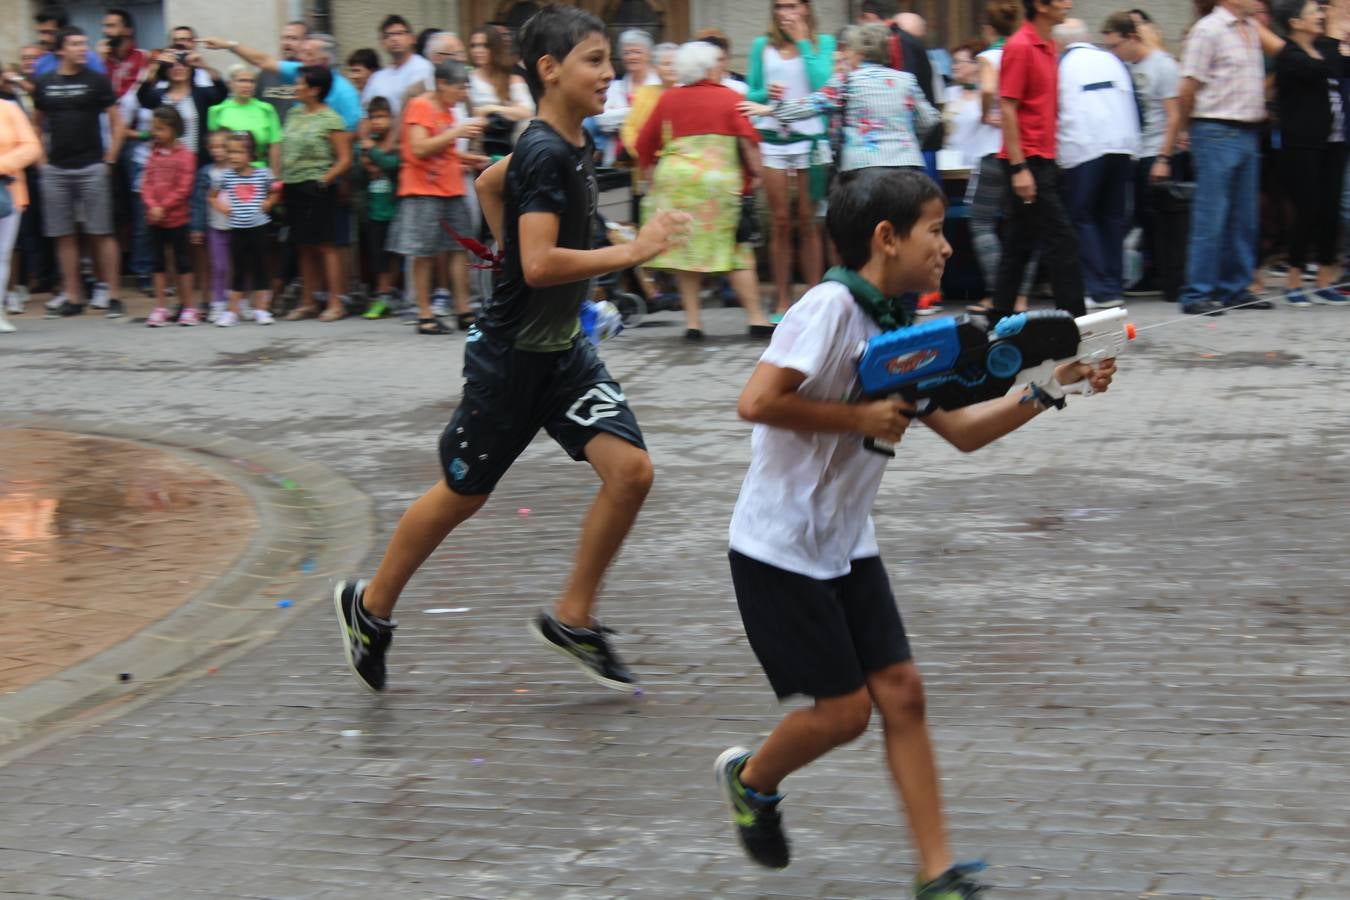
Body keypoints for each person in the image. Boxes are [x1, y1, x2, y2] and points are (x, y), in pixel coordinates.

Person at [715, 167, 1117, 896]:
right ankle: (751, 779)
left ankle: (937, 874)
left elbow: (961, 431)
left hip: (846, 541)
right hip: (779, 549)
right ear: (885, 238)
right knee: (844, 714)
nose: (945, 247)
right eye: (935, 231)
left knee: (903, 692)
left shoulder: (902, 327)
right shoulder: (831, 307)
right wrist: (856, 418)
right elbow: (755, 401)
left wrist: (1055, 386)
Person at [331, 5, 692, 695]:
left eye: (609, 60)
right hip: (512, 359)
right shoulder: (547, 150)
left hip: (562, 353)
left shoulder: (561, 141)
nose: (610, 72)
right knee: (464, 493)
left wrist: (534, 244)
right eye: (594, 60)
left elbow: (491, 183)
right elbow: (540, 266)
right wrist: (632, 249)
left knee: (632, 473)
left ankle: (573, 616)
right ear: (550, 70)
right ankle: (369, 609)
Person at [636, 41, 774, 341]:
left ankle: (694, 324)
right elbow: (748, 141)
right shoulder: (730, 97)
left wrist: (653, 178)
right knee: (737, 250)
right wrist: (757, 175)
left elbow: (644, 143)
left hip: (677, 183)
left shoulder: (668, 99)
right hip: (719, 184)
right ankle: (756, 318)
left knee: (688, 252)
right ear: (711, 67)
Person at [993, 0, 1086, 319]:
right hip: (1026, 161)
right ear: (1041, 6)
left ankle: (998, 318)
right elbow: (1007, 107)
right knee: (1064, 243)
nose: (1068, 4)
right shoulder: (1020, 45)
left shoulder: (1049, 45)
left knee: (1019, 247)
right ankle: (1075, 325)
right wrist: (1019, 168)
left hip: (1041, 160)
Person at [1177, 0, 1271, 315]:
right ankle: (1197, 292)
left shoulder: (1251, 29)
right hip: (1215, 129)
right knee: (1211, 217)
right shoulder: (1208, 30)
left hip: (1247, 131)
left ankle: (1235, 288)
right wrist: (1188, 128)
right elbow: (1188, 87)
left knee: (1244, 217)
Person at [744, 23, 939, 173]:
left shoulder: (846, 81)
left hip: (863, 167)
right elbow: (930, 119)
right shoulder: (906, 80)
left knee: (863, 224)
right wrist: (910, 139)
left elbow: (812, 105)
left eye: (850, 50)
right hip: (908, 166)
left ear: (860, 53)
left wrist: (771, 109)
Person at [747, 0, 837, 317]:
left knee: (809, 221)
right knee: (780, 222)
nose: (786, 13)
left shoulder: (823, 43)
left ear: (807, 9)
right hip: (774, 137)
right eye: (780, 7)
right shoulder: (762, 44)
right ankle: (783, 298)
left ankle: (813, 297)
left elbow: (824, 85)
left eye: (793, 6)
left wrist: (802, 41)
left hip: (810, 138)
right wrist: (766, 95)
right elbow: (751, 94)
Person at [32, 26, 124, 320]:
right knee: (64, 235)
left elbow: (116, 122)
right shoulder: (44, 83)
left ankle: (113, 295)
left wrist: (109, 159)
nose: (82, 48)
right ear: (60, 50)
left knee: (102, 232)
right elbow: (35, 123)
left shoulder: (97, 80)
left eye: (84, 43)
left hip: (92, 165)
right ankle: (73, 297)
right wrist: (41, 160)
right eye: (75, 44)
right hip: (56, 169)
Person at [385, 59, 482, 335]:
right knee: (424, 252)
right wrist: (457, 132)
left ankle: (464, 310)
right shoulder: (421, 106)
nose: (463, 94)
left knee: (458, 248)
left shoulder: (448, 111)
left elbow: (443, 150)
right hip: (423, 190)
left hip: (450, 187)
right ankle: (424, 314)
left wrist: (467, 158)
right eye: (460, 87)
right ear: (442, 84)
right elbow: (418, 148)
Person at [1053, 18, 1140, 310]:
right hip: (1122, 145)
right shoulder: (1111, 60)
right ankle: (1114, 284)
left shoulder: (1063, 66)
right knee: (1112, 216)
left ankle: (1099, 287)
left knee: (1082, 216)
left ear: (1058, 43)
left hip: (1085, 148)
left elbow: (1060, 109)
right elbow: (1132, 101)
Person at [1273, 0, 1349, 306]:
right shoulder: (1290, 55)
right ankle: (1293, 279)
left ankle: (1324, 280)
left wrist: (1333, 40)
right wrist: (1333, 35)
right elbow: (1323, 69)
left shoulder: (1324, 48)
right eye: (1313, 13)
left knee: (1330, 210)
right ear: (1295, 22)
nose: (1319, 16)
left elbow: (1342, 68)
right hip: (1303, 144)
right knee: (1307, 211)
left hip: (1334, 142)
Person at [1102, 10, 1182, 298]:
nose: (1114, 52)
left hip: (1155, 149)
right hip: (1134, 151)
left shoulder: (1163, 65)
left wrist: (1164, 157)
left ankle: (1167, 275)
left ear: (1132, 38)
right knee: (1139, 215)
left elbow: (1174, 115)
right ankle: (1151, 271)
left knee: (1158, 218)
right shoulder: (1124, 67)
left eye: (1116, 45)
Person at [966, 0, 1037, 315]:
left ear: (988, 29)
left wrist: (986, 114)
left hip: (994, 149)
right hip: (1023, 148)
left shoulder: (990, 56)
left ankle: (999, 292)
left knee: (981, 221)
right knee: (1024, 223)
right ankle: (1021, 295)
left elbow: (987, 90)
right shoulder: (1026, 50)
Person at [279, 64, 351, 321]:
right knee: (303, 246)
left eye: (301, 83)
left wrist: (324, 180)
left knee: (326, 245)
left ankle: (335, 302)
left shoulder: (331, 118)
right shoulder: (294, 114)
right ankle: (309, 300)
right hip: (293, 185)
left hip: (318, 187)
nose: (296, 87)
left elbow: (344, 159)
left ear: (315, 89)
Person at [211, 131, 278, 326]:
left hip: (259, 228)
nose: (233, 156)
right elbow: (212, 196)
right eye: (230, 152)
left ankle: (261, 310)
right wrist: (222, 208)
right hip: (237, 229)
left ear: (250, 154)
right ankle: (232, 311)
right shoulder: (226, 176)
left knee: (260, 269)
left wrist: (269, 202)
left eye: (239, 152)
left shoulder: (263, 173)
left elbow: (275, 191)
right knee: (238, 270)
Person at [141, 106, 197, 327]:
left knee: (182, 262)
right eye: (154, 128)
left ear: (174, 129)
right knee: (158, 263)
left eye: (160, 129)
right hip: (155, 219)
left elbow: (184, 188)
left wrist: (163, 206)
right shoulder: (153, 154)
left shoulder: (186, 156)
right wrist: (152, 205)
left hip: (177, 219)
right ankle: (160, 307)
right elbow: (146, 183)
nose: (156, 133)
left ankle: (189, 306)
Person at [136, 48, 227, 164]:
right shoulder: (158, 95)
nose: (178, 68)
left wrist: (204, 66)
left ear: (191, 69)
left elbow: (222, 92)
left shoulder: (202, 94)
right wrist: (156, 67)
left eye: (184, 64)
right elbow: (142, 97)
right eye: (172, 65)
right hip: (166, 161)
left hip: (197, 160)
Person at [0, 90, 42, 334]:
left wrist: (2, 165)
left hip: (7, 193)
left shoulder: (9, 108)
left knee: (2, 254)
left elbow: (31, 147)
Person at [355, 96, 401, 319]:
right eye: (373, 117)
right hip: (373, 210)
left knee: (393, 255)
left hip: (393, 209)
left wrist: (372, 152)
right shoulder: (367, 143)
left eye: (382, 117)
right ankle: (382, 294)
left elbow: (392, 164)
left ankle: (387, 295)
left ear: (391, 119)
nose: (377, 122)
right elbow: (358, 166)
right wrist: (366, 160)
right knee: (377, 256)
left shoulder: (395, 143)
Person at [468, 23, 536, 157]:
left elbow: (527, 112)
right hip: (476, 150)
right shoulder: (467, 79)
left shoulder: (512, 80)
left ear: (495, 48)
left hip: (508, 149)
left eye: (485, 46)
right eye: (474, 46)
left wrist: (490, 109)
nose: (478, 50)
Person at [594, 29, 660, 161]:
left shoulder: (659, 85)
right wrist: (638, 114)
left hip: (651, 157)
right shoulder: (614, 87)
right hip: (617, 158)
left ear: (648, 55)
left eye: (637, 52)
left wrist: (618, 116)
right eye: (627, 53)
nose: (631, 57)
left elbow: (657, 123)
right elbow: (603, 121)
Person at [207, 65, 284, 172]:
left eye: (251, 81)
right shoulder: (216, 111)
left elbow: (275, 145)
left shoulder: (267, 109)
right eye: (242, 80)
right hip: (228, 173)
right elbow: (215, 147)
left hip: (259, 172)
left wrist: (275, 177)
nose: (247, 85)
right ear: (231, 84)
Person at [190, 129, 231, 320]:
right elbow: (198, 202)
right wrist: (197, 227)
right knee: (218, 266)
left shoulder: (239, 170)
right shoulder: (206, 173)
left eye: (222, 146)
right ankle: (218, 303)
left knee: (240, 265)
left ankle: (240, 302)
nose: (218, 150)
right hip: (215, 227)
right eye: (213, 146)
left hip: (238, 227)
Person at [363, 15, 434, 115]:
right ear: (382, 43)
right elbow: (366, 113)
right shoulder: (377, 78)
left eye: (399, 33)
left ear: (412, 38)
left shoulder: (423, 67)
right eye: (388, 36)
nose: (394, 39)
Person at [942, 40, 992, 169]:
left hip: (980, 163)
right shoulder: (949, 94)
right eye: (953, 62)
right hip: (950, 163)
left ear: (976, 65)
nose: (954, 67)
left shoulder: (989, 95)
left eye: (958, 62)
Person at [32, 5, 107, 77]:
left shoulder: (89, 59)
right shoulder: (41, 64)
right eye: (40, 32)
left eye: (49, 32)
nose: (43, 38)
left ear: (63, 31)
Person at [101, 7, 147, 100]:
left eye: (111, 26)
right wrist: (100, 62)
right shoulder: (102, 58)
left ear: (128, 30)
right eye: (105, 26)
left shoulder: (143, 56)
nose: (105, 31)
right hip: (107, 109)